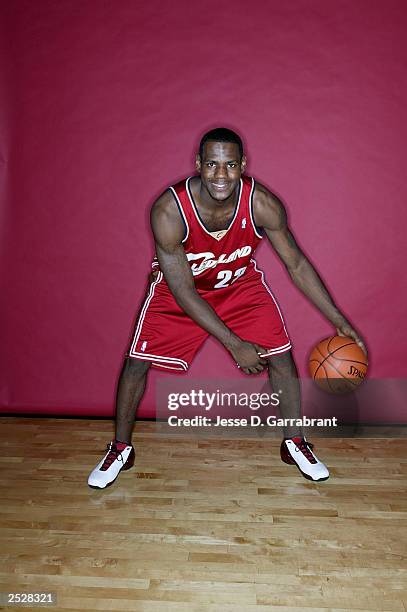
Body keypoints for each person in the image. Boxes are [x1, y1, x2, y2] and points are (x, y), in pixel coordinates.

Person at [88, 127, 366, 489]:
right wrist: (234, 344)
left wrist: (339, 320)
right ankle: (121, 448)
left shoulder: (261, 204)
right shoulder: (169, 210)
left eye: (230, 165)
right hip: (181, 291)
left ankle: (294, 442)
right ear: (199, 164)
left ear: (243, 165)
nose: (221, 176)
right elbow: (185, 291)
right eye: (213, 165)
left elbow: (296, 264)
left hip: (238, 284)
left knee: (281, 356)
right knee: (137, 363)